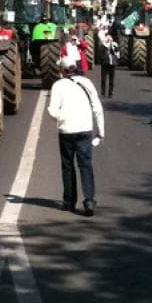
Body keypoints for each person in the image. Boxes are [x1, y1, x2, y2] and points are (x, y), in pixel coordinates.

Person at [46, 53, 105, 215]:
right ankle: (89, 200)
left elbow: (52, 111)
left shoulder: (58, 85)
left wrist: (60, 118)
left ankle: (69, 201)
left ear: (62, 70)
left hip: (66, 131)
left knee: (67, 165)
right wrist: (100, 132)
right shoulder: (86, 82)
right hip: (85, 129)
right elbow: (97, 108)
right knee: (85, 164)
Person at [95, 24, 119, 98]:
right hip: (105, 64)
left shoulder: (114, 45)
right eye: (107, 37)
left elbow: (117, 55)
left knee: (111, 80)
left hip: (112, 64)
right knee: (103, 80)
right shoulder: (103, 45)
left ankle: (110, 93)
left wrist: (112, 46)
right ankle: (103, 93)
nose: (109, 38)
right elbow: (99, 53)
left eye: (110, 37)